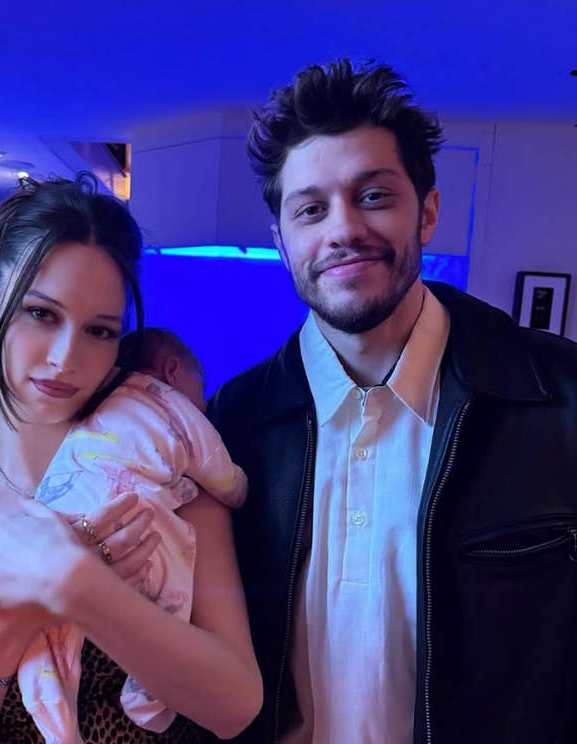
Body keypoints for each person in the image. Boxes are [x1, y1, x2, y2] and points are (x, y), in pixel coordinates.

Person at [207, 58, 577, 744]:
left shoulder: (560, 398)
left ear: (427, 212)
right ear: (281, 241)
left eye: (373, 195)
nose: (342, 229)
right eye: (310, 209)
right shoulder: (231, 425)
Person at [0, 174, 262, 744]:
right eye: (42, 314)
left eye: (99, 331)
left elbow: (235, 706)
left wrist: (78, 586)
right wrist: (10, 618)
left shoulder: (164, 477)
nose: (65, 358)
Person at [24, 325, 246, 739]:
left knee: (49, 641)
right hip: (129, 519)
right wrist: (242, 488)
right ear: (172, 370)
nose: (203, 402)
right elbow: (218, 470)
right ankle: (148, 691)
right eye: (201, 387)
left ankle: (50, 708)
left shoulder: (96, 412)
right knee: (171, 582)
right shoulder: (172, 404)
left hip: (63, 513)